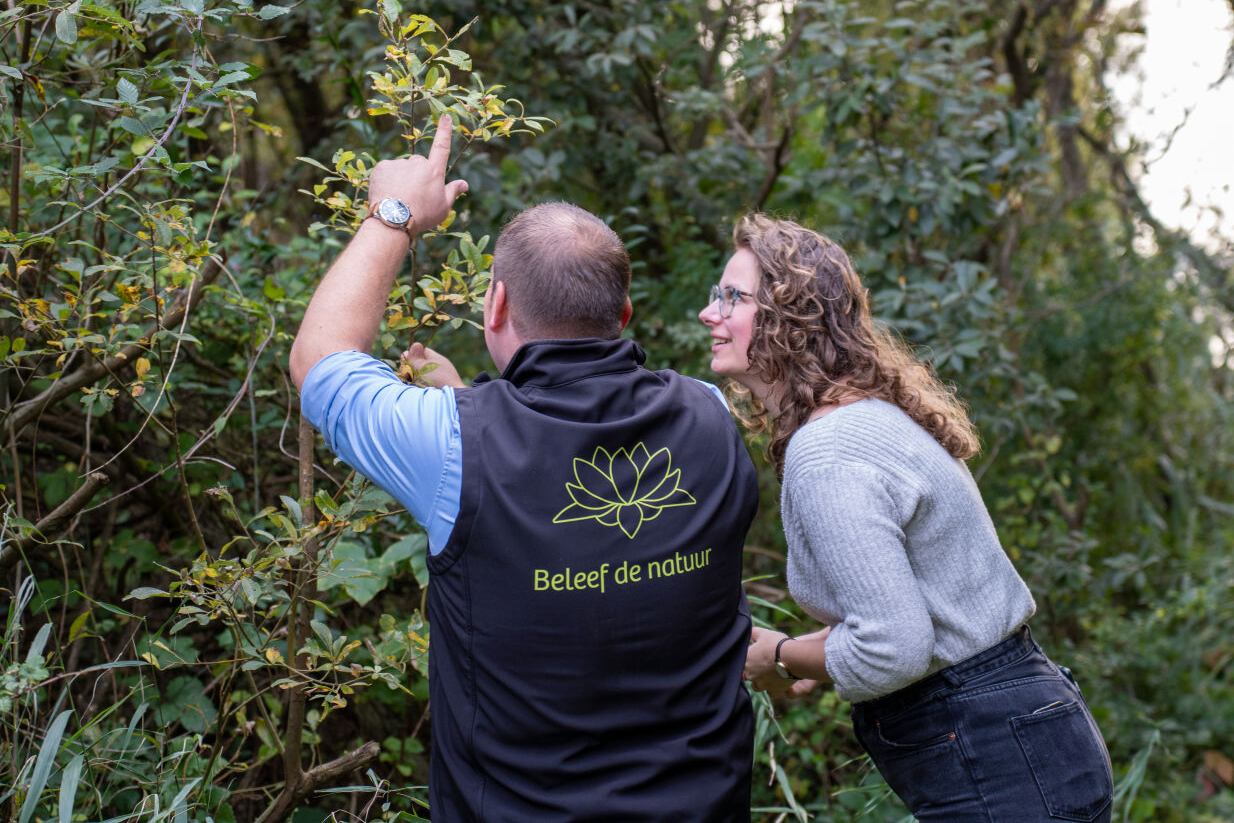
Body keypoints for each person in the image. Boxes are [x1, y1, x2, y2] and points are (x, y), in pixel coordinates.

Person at [289, 116, 759, 821]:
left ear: (496, 305)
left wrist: (395, 216)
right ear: (623, 312)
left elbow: (319, 361)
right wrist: (464, 405)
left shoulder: (454, 444)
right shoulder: (714, 418)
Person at [698, 213, 1113, 822]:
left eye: (732, 297)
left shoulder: (831, 447)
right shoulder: (863, 418)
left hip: (999, 755)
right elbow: (925, 617)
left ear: (790, 319)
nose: (711, 313)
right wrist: (815, 652)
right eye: (717, 295)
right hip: (1025, 736)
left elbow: (895, 647)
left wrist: (782, 656)